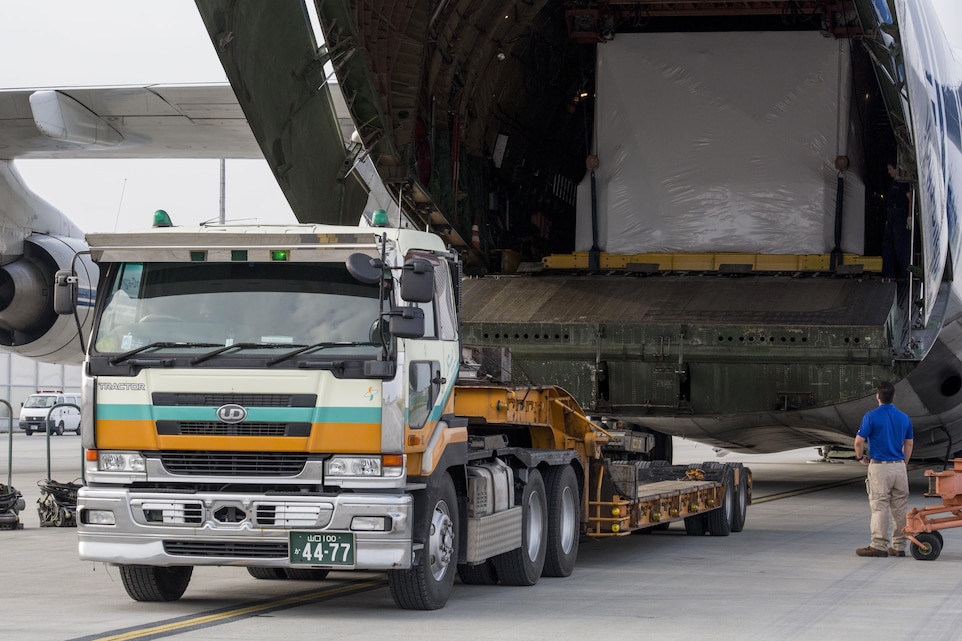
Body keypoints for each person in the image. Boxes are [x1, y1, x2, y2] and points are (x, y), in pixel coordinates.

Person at [853, 381, 914, 557]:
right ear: (893, 396)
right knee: (900, 509)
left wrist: (860, 457)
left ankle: (879, 545)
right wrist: (903, 463)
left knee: (880, 506)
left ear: (877, 396)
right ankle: (899, 546)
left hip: (880, 467)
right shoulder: (904, 418)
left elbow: (859, 441)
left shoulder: (871, 416)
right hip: (899, 467)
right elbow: (909, 444)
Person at [881, 161, 912, 280]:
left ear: (896, 169)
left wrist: (909, 216)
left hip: (900, 214)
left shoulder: (903, 183)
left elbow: (910, 199)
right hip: (891, 215)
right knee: (887, 244)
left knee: (901, 245)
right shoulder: (893, 183)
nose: (889, 171)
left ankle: (905, 274)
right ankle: (888, 273)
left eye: (890, 169)